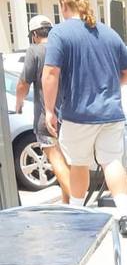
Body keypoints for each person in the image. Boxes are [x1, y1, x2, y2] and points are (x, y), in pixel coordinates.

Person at [42, 0, 127, 237]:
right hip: (111, 113)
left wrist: (49, 110)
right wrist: (109, 86)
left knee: (79, 164)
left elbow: (51, 73)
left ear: (64, 6)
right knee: (112, 161)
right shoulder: (109, 33)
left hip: (78, 113)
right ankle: (125, 216)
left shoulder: (60, 33)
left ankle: (78, 214)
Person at [15, 15, 70, 203]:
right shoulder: (63, 48)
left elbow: (23, 83)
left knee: (55, 159)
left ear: (34, 34)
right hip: (71, 115)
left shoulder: (35, 50)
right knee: (68, 161)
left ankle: (76, 201)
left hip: (46, 117)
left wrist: (19, 103)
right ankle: (68, 205)